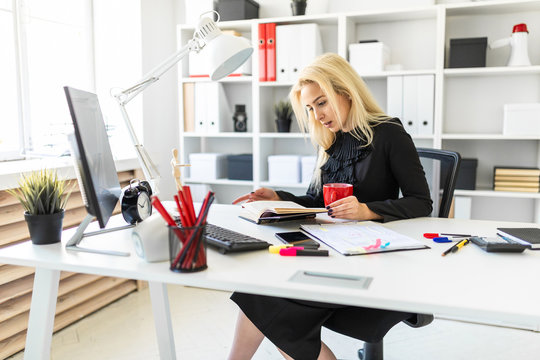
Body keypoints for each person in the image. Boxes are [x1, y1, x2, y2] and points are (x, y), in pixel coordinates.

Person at [227, 53, 433, 360]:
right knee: (260, 290)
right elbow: (316, 203)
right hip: (330, 251)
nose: (317, 115)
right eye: (310, 108)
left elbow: (422, 201)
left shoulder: (389, 133)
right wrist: (278, 197)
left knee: (268, 303)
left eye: (321, 102)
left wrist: (367, 210)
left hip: (370, 259)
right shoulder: (331, 142)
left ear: (346, 92)